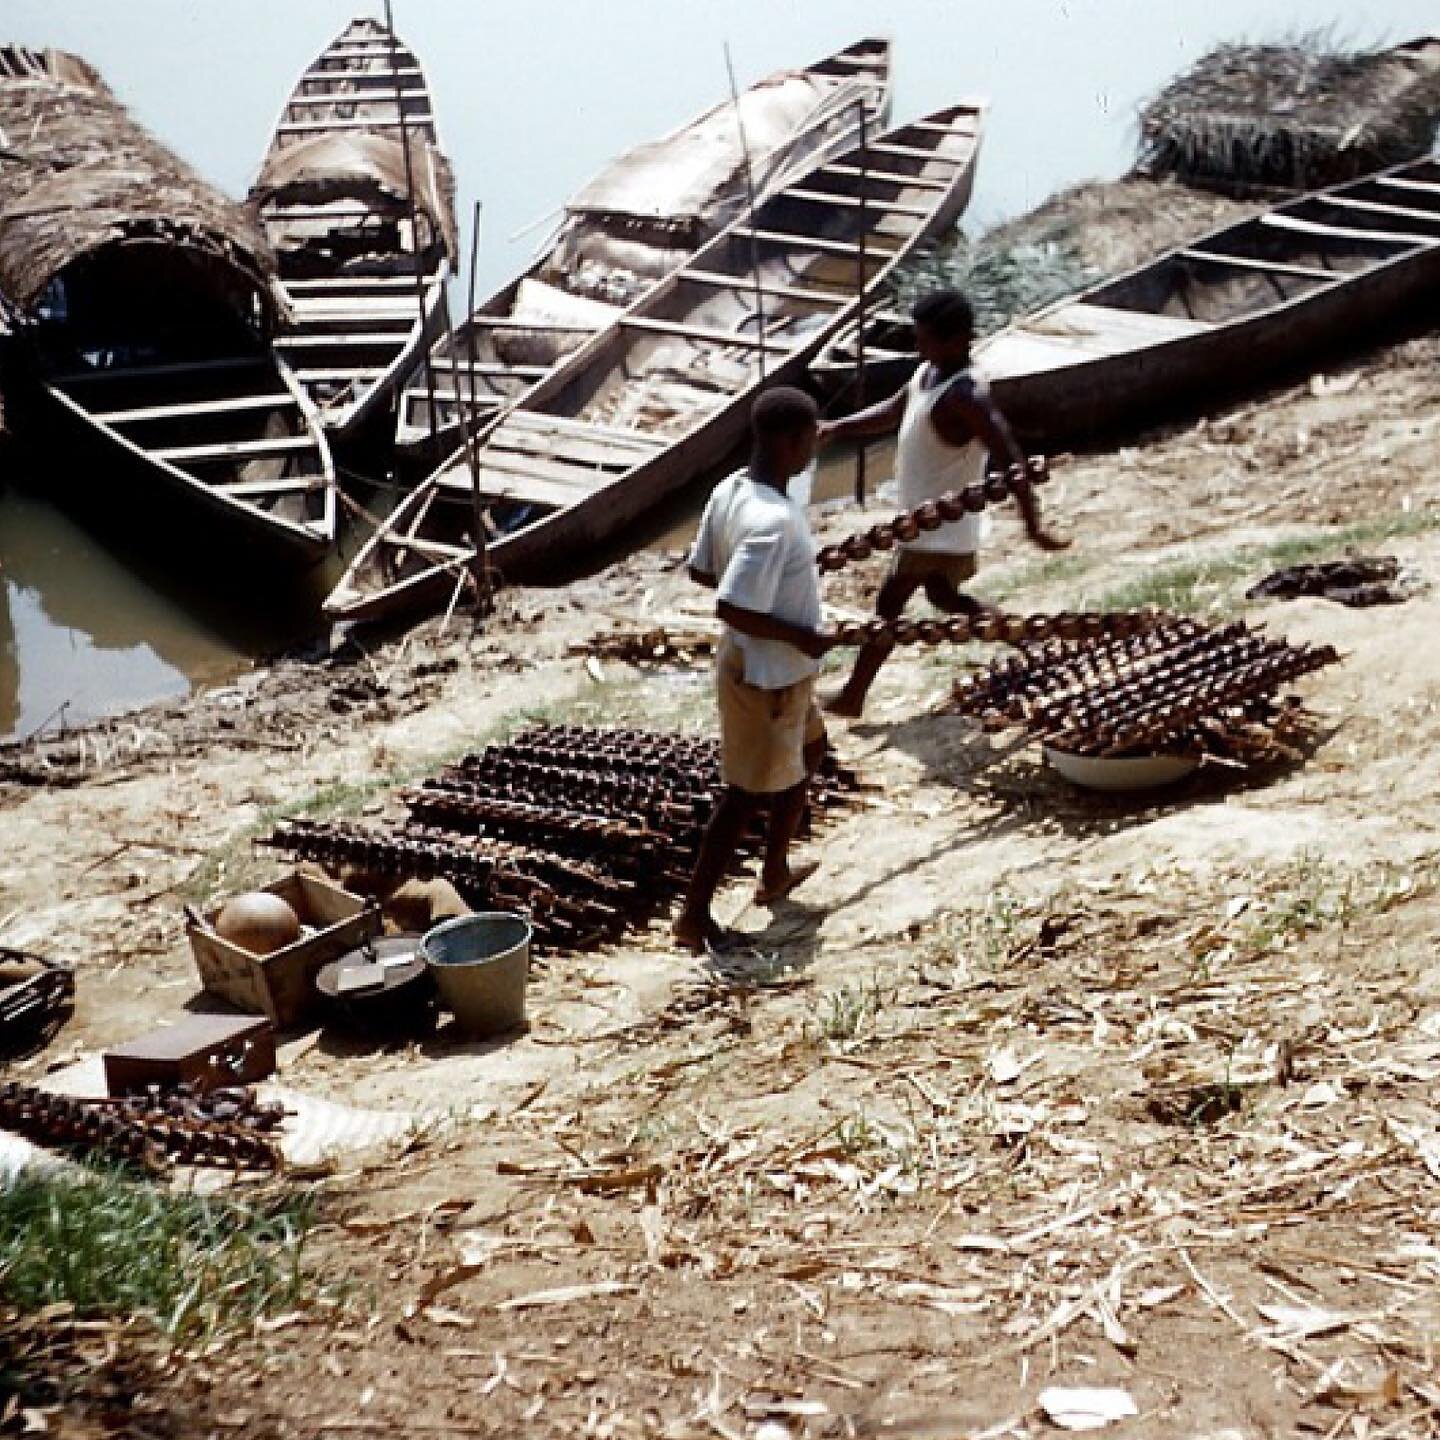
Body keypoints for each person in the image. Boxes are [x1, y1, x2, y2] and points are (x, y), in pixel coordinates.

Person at [816, 288, 1068, 719]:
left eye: (927, 339)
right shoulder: (927, 374)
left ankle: (854, 696)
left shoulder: (966, 396)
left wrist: (1033, 525)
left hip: (939, 528)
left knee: (889, 607)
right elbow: (893, 411)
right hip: (924, 523)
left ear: (960, 339)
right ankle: (1026, 639)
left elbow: (1011, 458)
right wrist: (837, 428)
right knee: (944, 597)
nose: (920, 347)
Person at [674, 387, 834, 953]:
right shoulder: (774, 521)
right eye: (812, 439)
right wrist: (803, 633)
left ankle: (774, 872)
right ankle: (693, 918)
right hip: (767, 677)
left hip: (784, 672)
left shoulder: (731, 491)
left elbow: (702, 572)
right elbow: (731, 605)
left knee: (812, 751)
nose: (815, 448)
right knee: (742, 795)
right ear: (792, 442)